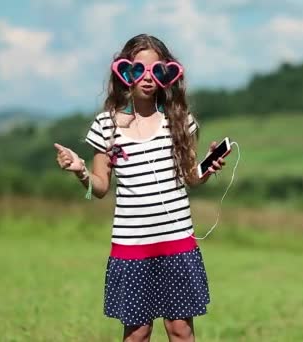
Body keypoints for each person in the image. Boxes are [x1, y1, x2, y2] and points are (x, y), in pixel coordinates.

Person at [53, 33, 225, 342]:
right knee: (137, 333)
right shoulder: (106, 125)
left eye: (157, 71)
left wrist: (208, 168)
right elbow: (100, 187)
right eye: (137, 70)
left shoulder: (181, 121)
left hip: (177, 240)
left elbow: (191, 178)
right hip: (132, 245)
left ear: (168, 75)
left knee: (181, 330)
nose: (148, 79)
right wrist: (80, 171)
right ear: (123, 73)